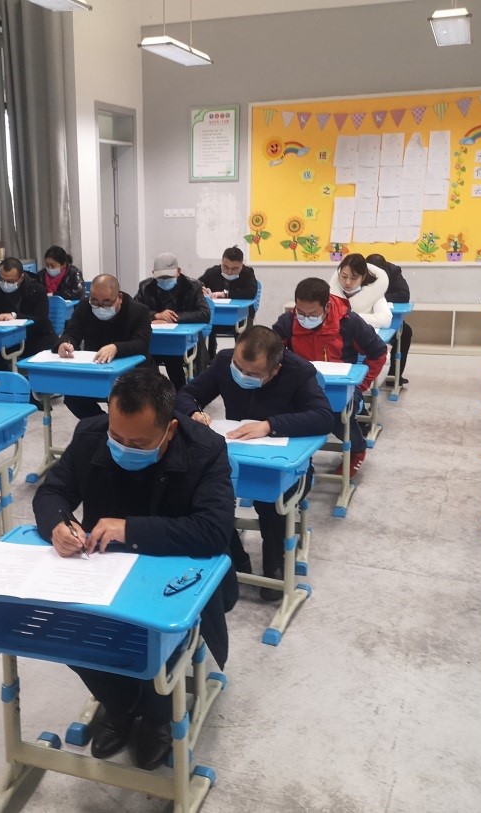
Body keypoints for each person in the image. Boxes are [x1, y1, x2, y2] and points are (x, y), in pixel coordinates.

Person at [32, 369, 237, 771]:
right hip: (103, 570)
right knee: (67, 630)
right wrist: (57, 523)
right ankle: (120, 705)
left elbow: (214, 531)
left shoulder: (206, 449)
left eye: (138, 443)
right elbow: (53, 491)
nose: (124, 447)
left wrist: (130, 530)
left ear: (170, 429)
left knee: (157, 640)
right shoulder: (91, 434)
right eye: (117, 437)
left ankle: (158, 716)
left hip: (176, 576)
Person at [176, 326, 334, 597]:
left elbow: (323, 417)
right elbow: (185, 395)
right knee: (203, 496)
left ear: (276, 369)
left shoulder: (298, 372)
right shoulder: (225, 362)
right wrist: (193, 412)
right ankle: (235, 558)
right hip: (233, 456)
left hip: (283, 463)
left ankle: (274, 566)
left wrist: (269, 425)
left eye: (253, 374)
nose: (242, 376)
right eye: (239, 368)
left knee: (271, 504)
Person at [272, 277, 387, 479]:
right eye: (301, 312)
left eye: (313, 314)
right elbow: (270, 351)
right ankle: (289, 459)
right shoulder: (288, 322)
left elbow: (378, 352)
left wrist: (360, 385)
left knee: (335, 415)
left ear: (326, 307)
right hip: (302, 385)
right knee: (275, 409)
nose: (306, 318)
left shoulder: (349, 323)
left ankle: (357, 449)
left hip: (341, 388)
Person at [55, 274, 153, 419]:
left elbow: (141, 343)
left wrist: (116, 348)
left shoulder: (139, 311)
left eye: (107, 302)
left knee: (126, 401)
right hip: (96, 369)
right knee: (73, 397)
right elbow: (72, 332)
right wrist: (65, 343)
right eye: (95, 301)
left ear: (119, 297)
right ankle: (104, 425)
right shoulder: (84, 306)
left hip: (133, 373)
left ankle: (116, 426)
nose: (100, 307)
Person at [134, 252, 210, 389]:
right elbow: (135, 312)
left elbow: (204, 314)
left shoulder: (193, 286)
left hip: (184, 340)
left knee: (173, 359)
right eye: (160, 277)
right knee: (144, 364)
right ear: (153, 274)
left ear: (178, 271)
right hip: (155, 339)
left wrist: (173, 318)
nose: (164, 280)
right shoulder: (145, 287)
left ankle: (179, 393)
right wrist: (156, 315)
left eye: (168, 277)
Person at [0, 257, 55, 368]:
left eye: (10, 281)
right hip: (3, 337)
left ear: (21, 278)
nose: (5, 284)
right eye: (1, 279)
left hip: (34, 336)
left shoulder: (36, 288)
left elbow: (42, 319)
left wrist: (15, 316)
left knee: (48, 349)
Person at [199, 246, 258, 358]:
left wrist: (226, 294)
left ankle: (241, 358)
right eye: (225, 267)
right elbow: (199, 283)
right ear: (221, 261)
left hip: (241, 317)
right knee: (202, 327)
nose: (229, 272)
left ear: (241, 265)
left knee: (244, 333)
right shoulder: (213, 272)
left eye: (234, 269)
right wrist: (201, 288)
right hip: (216, 316)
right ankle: (207, 359)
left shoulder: (247, 273)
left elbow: (251, 293)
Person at [366, 253, 413, 384]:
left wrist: (377, 297)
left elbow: (404, 295)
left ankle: (394, 375)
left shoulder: (393, 272)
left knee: (405, 332)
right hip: (364, 317)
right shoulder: (358, 272)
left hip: (387, 317)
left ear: (384, 268)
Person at [329, 253, 392, 329]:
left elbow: (385, 320)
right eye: (344, 276)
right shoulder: (331, 292)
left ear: (363, 277)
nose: (347, 282)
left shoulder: (375, 292)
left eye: (354, 278)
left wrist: (350, 317)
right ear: (339, 274)